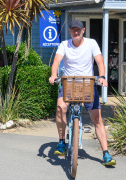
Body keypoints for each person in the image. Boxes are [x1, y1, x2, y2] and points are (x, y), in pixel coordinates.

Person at [49, 20, 116, 166]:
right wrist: (54, 74)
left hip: (87, 83)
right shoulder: (64, 45)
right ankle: (61, 142)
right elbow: (56, 61)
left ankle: (106, 154)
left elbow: (100, 61)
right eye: (73, 30)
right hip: (68, 83)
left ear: (83, 30)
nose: (76, 32)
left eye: (78, 29)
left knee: (97, 119)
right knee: (60, 108)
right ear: (70, 31)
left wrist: (102, 77)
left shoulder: (91, 43)